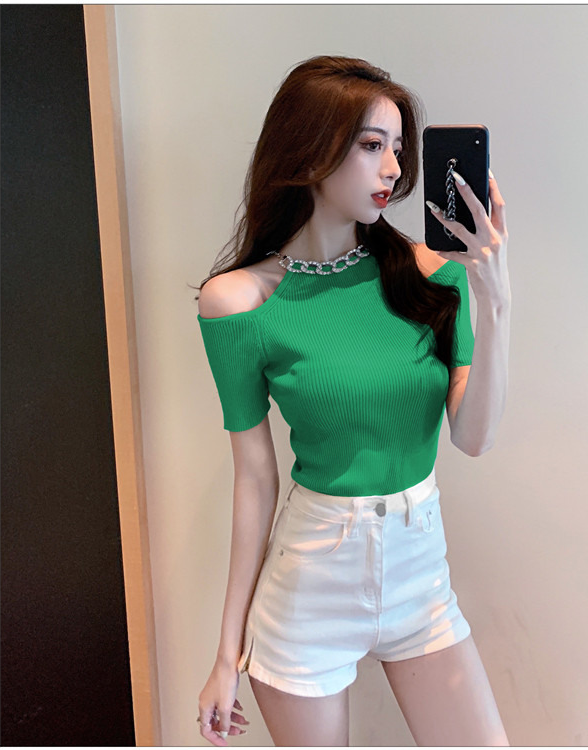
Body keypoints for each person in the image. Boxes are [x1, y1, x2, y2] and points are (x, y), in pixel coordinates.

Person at [193, 54, 511, 747]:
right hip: (311, 576)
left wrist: (497, 302)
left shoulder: (434, 277)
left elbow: (474, 438)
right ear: (311, 150)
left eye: (398, 148)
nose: (394, 169)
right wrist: (225, 654)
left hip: (420, 574)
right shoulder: (239, 304)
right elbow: (255, 478)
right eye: (372, 145)